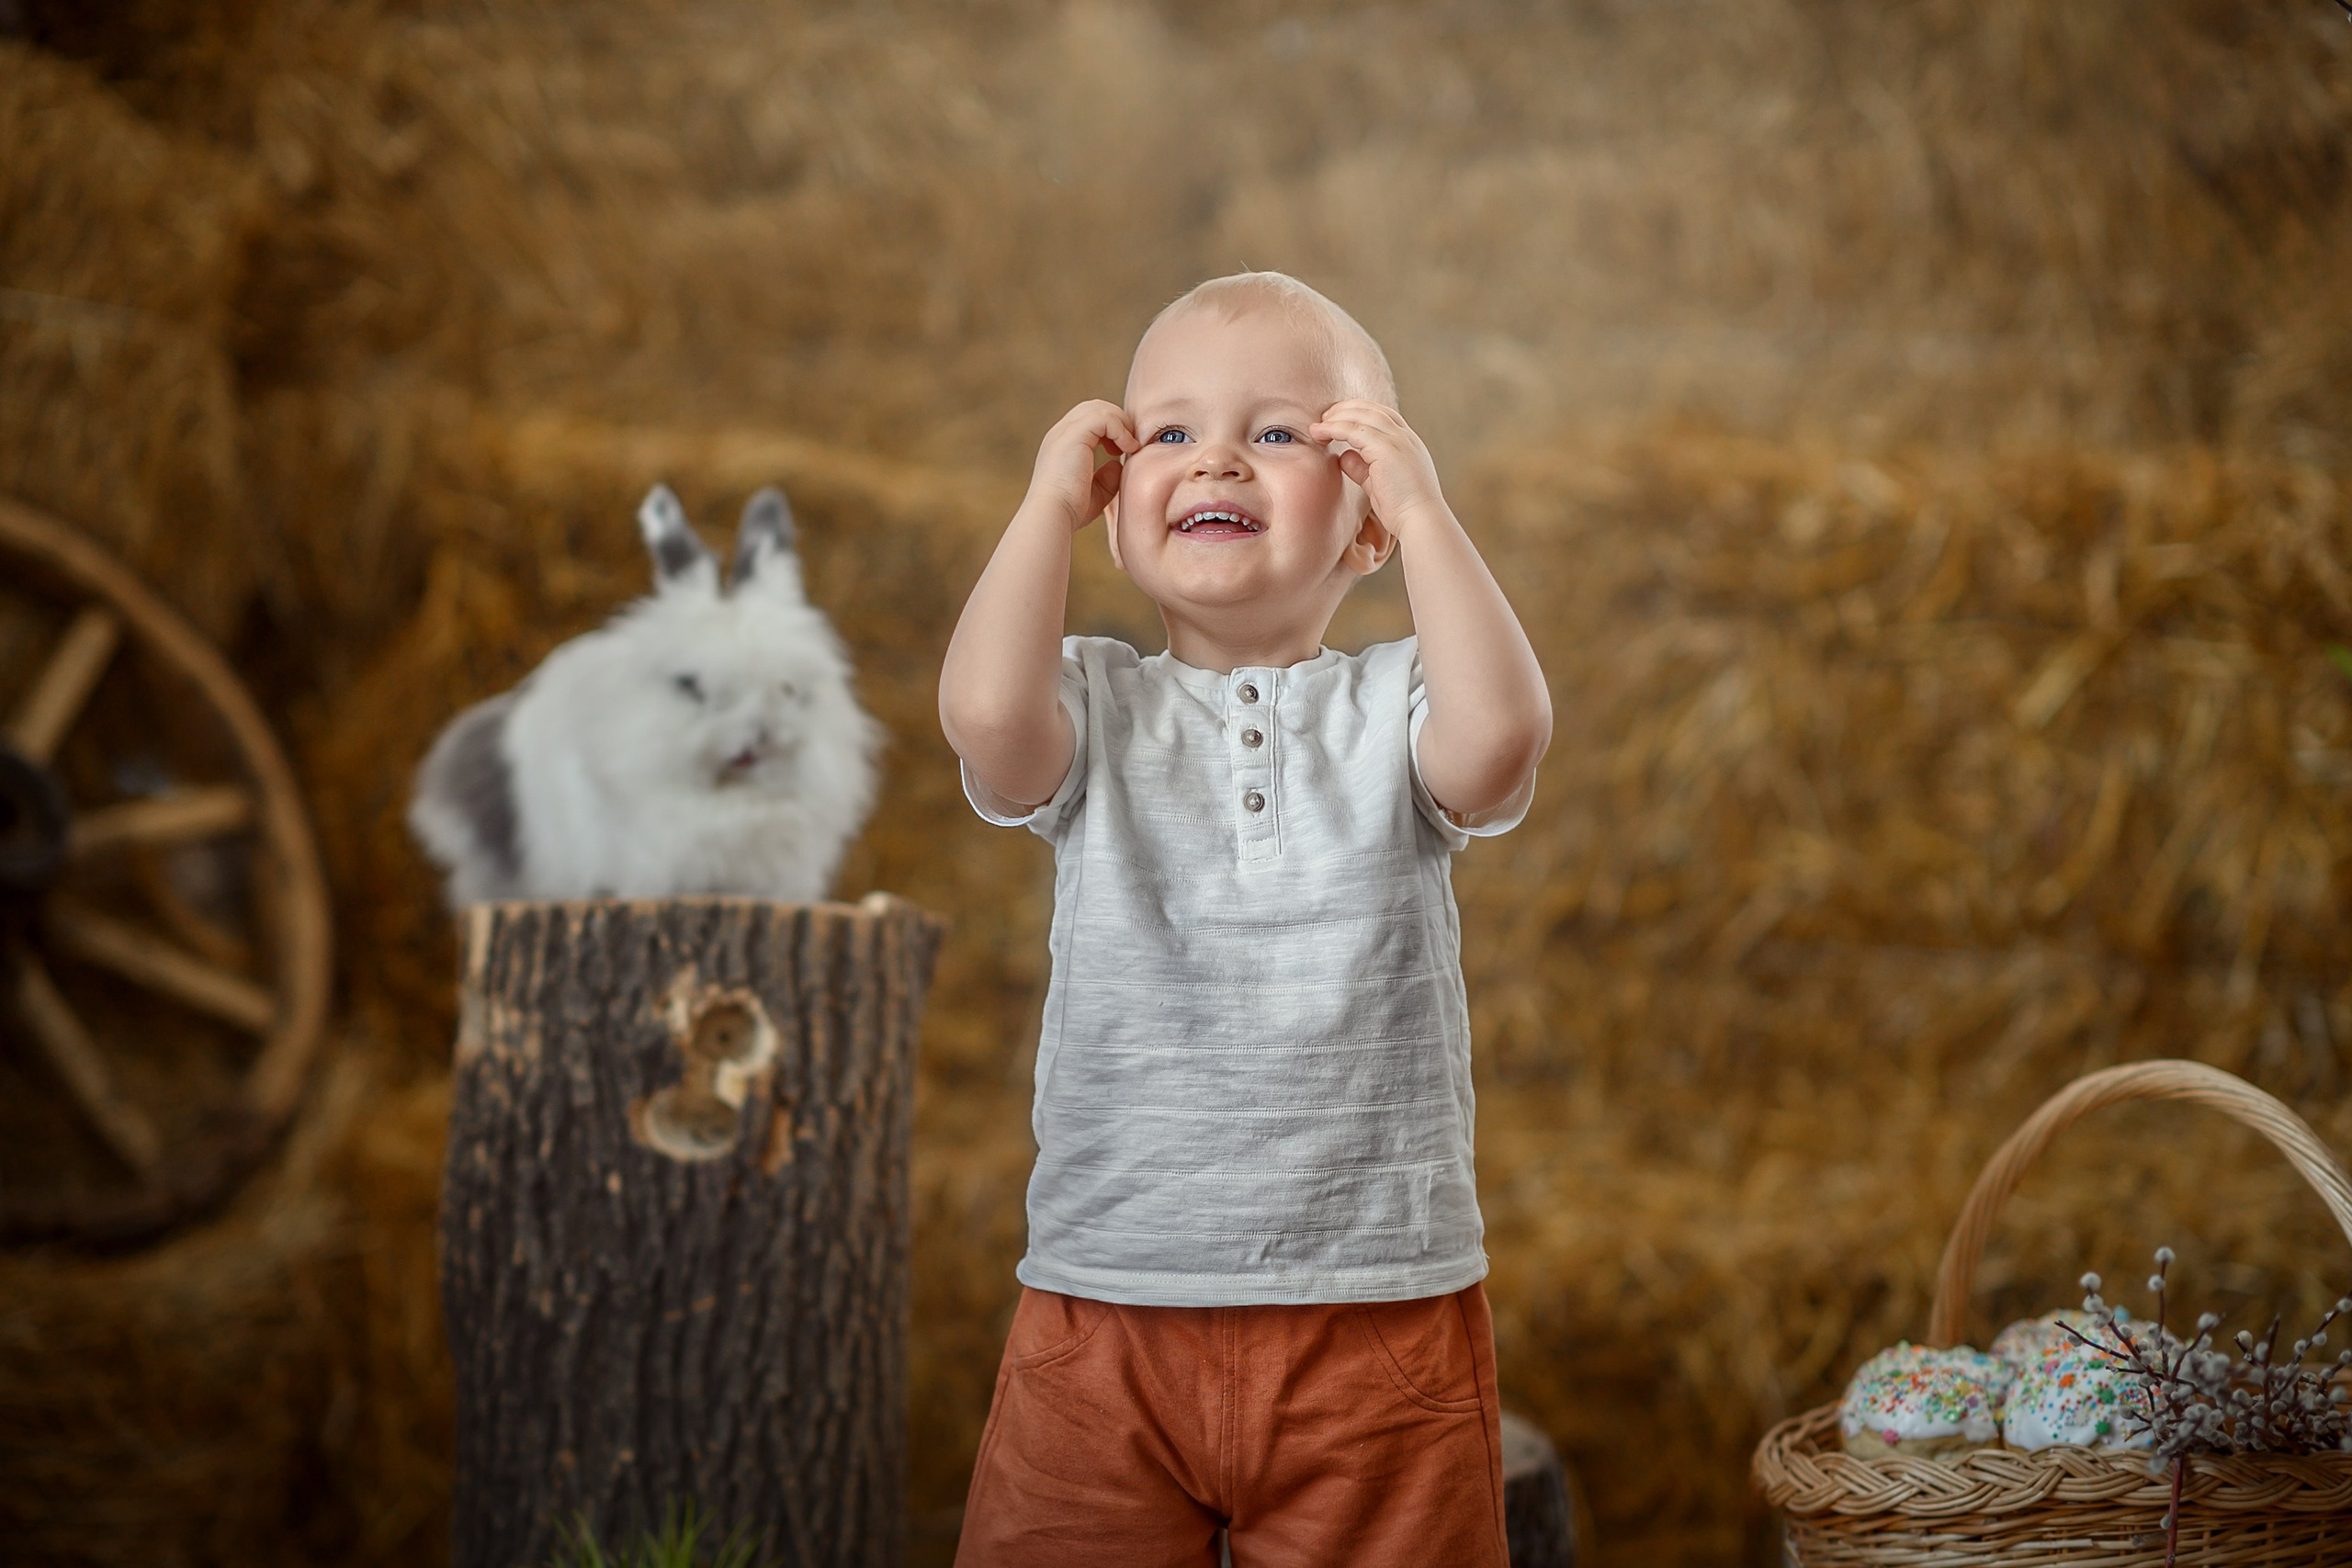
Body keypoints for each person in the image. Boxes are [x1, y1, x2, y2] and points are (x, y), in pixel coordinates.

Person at [937, 271, 1551, 1568]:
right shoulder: (1095, 709)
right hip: (1107, 1302)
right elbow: (989, 727)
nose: (1216, 454)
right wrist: (1045, 507)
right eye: (1168, 432)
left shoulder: (1394, 711)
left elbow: (1499, 744)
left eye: (1280, 432)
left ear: (1363, 524)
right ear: (1117, 513)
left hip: (1375, 1314)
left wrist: (1430, 510)